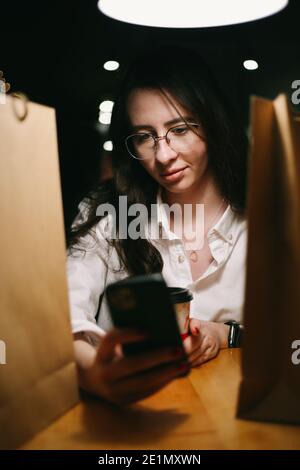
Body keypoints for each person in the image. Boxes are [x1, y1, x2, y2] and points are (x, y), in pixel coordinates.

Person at [67, 45, 248, 405]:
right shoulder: (110, 212)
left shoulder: (268, 216)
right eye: (144, 137)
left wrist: (226, 334)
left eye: (179, 129)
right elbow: (62, 310)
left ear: (213, 123)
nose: (163, 155)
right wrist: (93, 372)